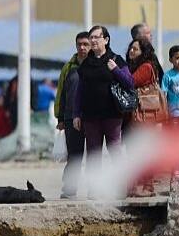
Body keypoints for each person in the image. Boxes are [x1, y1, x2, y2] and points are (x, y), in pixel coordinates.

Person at [73, 25, 134, 194]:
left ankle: (121, 188)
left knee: (115, 151)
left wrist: (115, 70)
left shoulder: (116, 59)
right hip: (90, 116)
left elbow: (129, 83)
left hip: (112, 115)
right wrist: (76, 114)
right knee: (93, 154)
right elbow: (80, 90)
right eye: (91, 37)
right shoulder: (86, 63)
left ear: (105, 40)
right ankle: (94, 189)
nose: (92, 40)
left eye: (96, 37)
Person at [126, 38, 166, 196]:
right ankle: (140, 186)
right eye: (131, 48)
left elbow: (132, 81)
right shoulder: (136, 66)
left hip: (146, 117)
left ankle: (145, 187)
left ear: (144, 52)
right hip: (141, 117)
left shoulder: (146, 67)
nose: (131, 51)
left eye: (135, 49)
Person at [54, 31, 90, 199]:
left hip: (92, 118)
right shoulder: (68, 67)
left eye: (85, 44)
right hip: (70, 118)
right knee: (74, 155)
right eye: (79, 44)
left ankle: (95, 189)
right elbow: (61, 92)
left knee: (93, 155)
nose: (82, 47)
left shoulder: (96, 65)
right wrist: (60, 117)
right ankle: (70, 188)